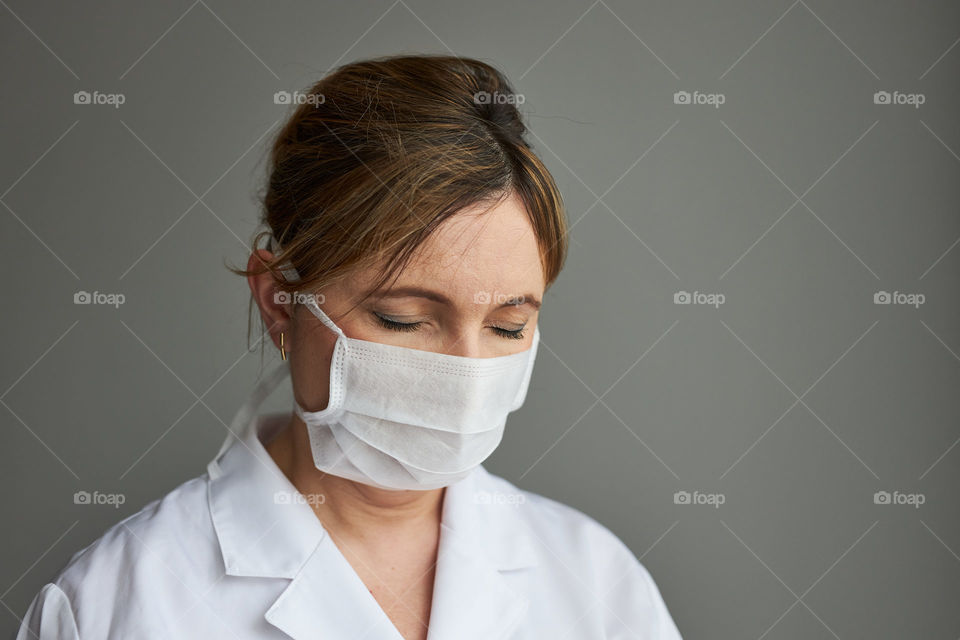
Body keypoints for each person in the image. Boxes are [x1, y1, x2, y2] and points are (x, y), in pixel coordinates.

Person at [17, 54, 682, 639]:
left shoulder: (599, 588)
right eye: (402, 319)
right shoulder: (114, 609)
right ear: (280, 300)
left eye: (507, 327)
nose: (468, 372)